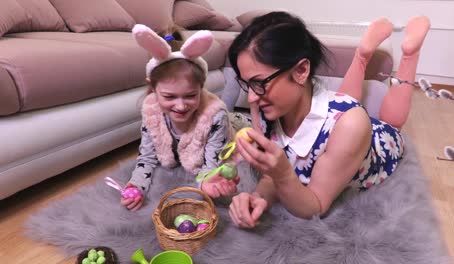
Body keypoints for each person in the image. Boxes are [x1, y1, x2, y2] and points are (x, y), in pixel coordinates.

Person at [227, 11, 430, 228]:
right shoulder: (265, 108)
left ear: (302, 70)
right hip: (343, 125)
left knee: (389, 122)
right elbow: (270, 179)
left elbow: (316, 205)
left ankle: (409, 54)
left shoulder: (350, 125)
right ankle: (362, 56)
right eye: (247, 84)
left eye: (259, 83)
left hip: (380, 142)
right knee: (346, 104)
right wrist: (258, 197)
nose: (251, 97)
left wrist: (284, 173)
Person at [121, 24, 239, 211]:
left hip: (231, 125)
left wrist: (205, 183)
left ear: (201, 87)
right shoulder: (151, 111)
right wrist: (137, 184)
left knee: (245, 134)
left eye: (191, 95)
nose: (181, 106)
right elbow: (147, 157)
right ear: (152, 87)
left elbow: (212, 164)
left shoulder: (215, 116)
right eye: (169, 97)